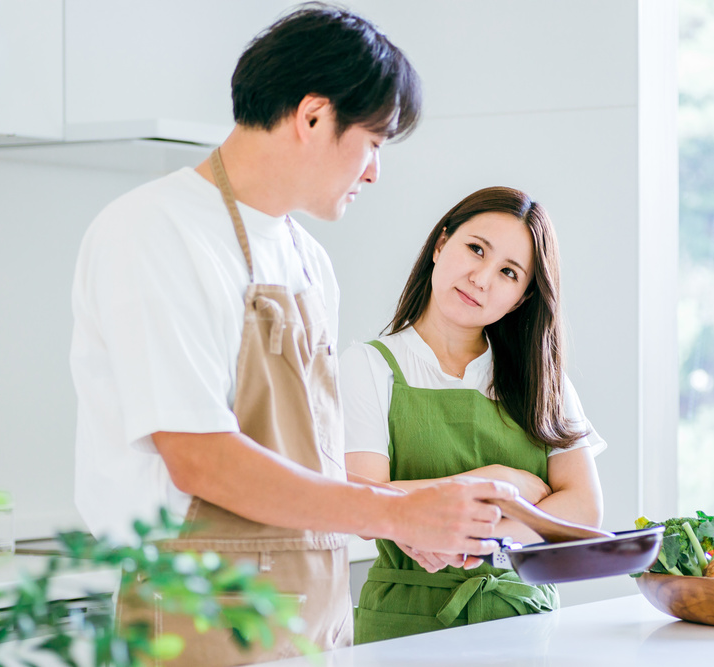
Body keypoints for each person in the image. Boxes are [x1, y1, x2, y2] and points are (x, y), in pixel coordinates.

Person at [69, 4, 521, 664]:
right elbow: (198, 456)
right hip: (196, 613)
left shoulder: (310, 260)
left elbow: (312, 461)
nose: (374, 171)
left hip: (311, 610)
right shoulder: (154, 231)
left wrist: (414, 520)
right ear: (312, 116)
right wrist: (395, 514)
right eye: (373, 142)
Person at [342, 186, 607, 643]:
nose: (481, 278)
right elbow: (358, 500)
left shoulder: (544, 381)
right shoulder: (366, 366)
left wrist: (467, 540)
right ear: (441, 244)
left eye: (508, 272)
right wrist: (498, 484)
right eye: (475, 249)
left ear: (522, 298)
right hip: (404, 626)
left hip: (526, 622)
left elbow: (583, 513)